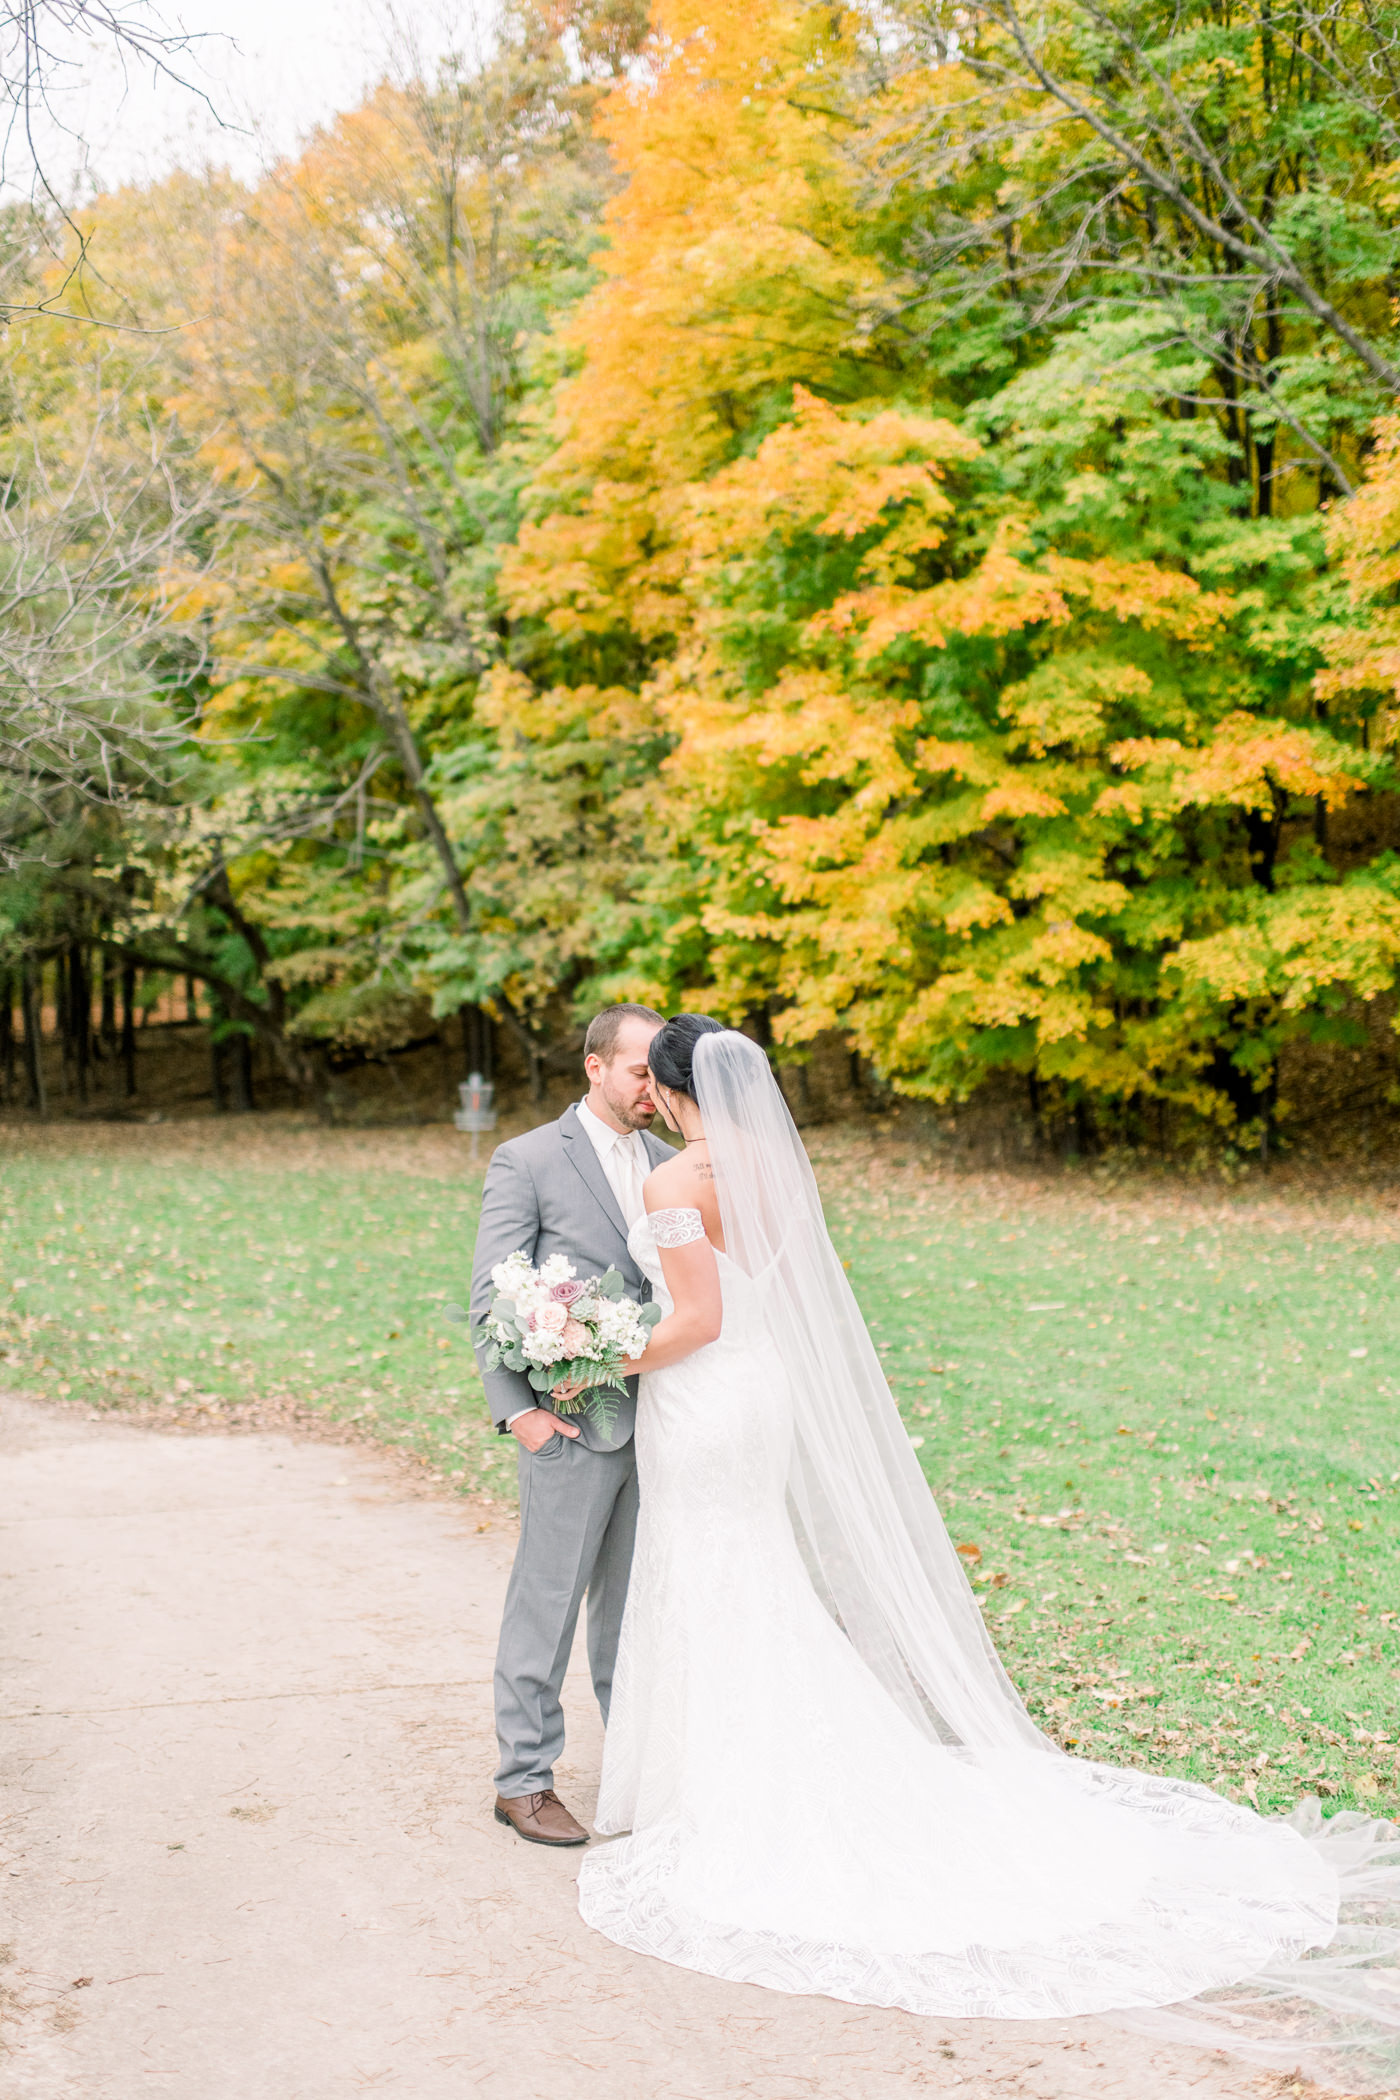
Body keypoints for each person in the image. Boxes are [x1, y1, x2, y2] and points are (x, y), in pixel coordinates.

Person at [574, 1015, 1400, 2092]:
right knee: (748, 1572)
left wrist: (594, 1353)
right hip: (760, 1395)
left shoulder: (671, 1184)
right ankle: (724, 1772)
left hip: (703, 1399)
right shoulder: (771, 1164)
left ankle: (726, 1793)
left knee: (712, 1575)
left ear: (674, 1093)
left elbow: (693, 1317)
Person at [470, 1004, 673, 1847]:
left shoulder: (672, 1162)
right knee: (546, 1604)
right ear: (596, 1067)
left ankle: (635, 1776)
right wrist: (519, 1414)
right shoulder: (526, 1160)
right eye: (640, 1073)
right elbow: (493, 1295)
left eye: (661, 1075)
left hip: (663, 1426)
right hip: (568, 1422)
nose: (653, 1090)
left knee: (636, 1611)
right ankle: (522, 1781)